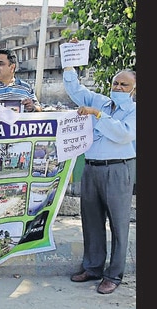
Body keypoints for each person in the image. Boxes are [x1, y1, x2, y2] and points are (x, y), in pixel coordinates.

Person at [63, 39, 136, 295]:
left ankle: (113, 275)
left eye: (123, 84)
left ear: (134, 89)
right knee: (91, 220)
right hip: (92, 168)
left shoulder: (135, 110)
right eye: (115, 83)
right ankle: (92, 267)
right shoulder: (101, 101)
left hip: (118, 169)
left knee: (118, 223)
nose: (117, 86)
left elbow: (123, 134)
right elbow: (74, 89)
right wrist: (70, 61)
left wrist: (97, 115)